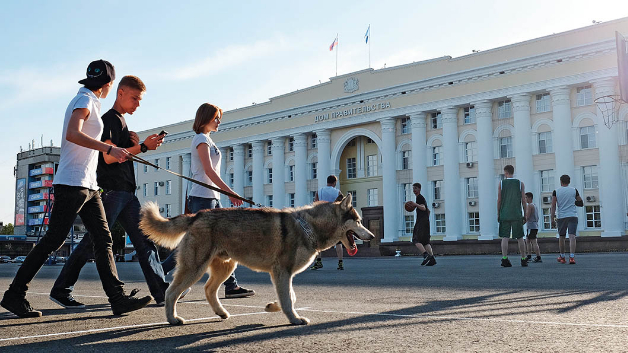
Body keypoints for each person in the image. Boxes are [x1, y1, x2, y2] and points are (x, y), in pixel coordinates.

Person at [0, 60, 152, 318]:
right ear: (109, 84)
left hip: (89, 184)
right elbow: (73, 133)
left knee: (104, 240)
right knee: (53, 240)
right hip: (72, 182)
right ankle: (15, 294)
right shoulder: (85, 100)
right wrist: (109, 148)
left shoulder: (89, 99)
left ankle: (117, 298)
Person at [49, 75, 171, 308]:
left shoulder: (121, 123)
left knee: (145, 242)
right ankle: (61, 289)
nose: (137, 104)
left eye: (140, 100)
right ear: (121, 93)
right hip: (113, 191)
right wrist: (143, 146)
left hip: (125, 192)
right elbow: (108, 156)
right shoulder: (109, 120)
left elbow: (120, 153)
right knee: (93, 242)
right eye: (135, 98)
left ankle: (162, 291)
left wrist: (137, 145)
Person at [162, 103, 254, 299]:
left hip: (211, 198)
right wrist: (230, 192)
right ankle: (157, 273)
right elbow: (208, 171)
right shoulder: (201, 139)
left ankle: (231, 285)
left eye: (219, 118)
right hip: (203, 198)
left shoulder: (209, 140)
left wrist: (224, 194)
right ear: (205, 118)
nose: (219, 121)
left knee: (223, 241)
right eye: (215, 118)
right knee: (196, 244)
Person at [310, 175, 344, 270]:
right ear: (334, 183)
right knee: (338, 242)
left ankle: (318, 261)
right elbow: (343, 205)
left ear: (327, 181)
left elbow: (315, 203)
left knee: (318, 241)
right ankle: (340, 263)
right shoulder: (337, 192)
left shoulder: (319, 191)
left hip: (322, 218)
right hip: (334, 219)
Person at [497, 165, 527, 267]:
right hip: (516, 213)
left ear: (506, 173)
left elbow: (499, 200)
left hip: (505, 213)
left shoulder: (501, 183)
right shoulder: (520, 184)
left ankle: (504, 259)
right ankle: (523, 259)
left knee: (505, 237)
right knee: (520, 237)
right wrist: (525, 214)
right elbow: (524, 200)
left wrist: (498, 213)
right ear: (513, 172)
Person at [550, 174, 583, 264]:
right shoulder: (574, 190)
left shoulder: (556, 191)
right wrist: (573, 201)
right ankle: (572, 257)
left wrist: (552, 218)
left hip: (561, 216)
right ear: (569, 182)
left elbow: (553, 205)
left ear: (561, 181)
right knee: (572, 236)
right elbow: (580, 202)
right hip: (572, 215)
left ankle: (562, 256)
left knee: (562, 237)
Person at [406, 183, 435, 266]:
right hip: (425, 221)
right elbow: (428, 211)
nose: (414, 190)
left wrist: (415, 205)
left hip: (421, 222)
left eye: (415, 188)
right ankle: (432, 259)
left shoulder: (419, 197)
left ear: (419, 189)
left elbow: (423, 208)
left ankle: (425, 255)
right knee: (426, 242)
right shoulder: (421, 198)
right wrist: (426, 219)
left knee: (416, 239)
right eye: (413, 188)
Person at [524, 192, 542, 263]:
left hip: (531, 226)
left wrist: (522, 221)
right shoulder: (534, 205)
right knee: (528, 240)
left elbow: (527, 217)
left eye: (526, 197)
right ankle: (529, 255)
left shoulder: (529, 206)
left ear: (529, 198)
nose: (525, 199)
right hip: (534, 225)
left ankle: (538, 256)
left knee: (533, 241)